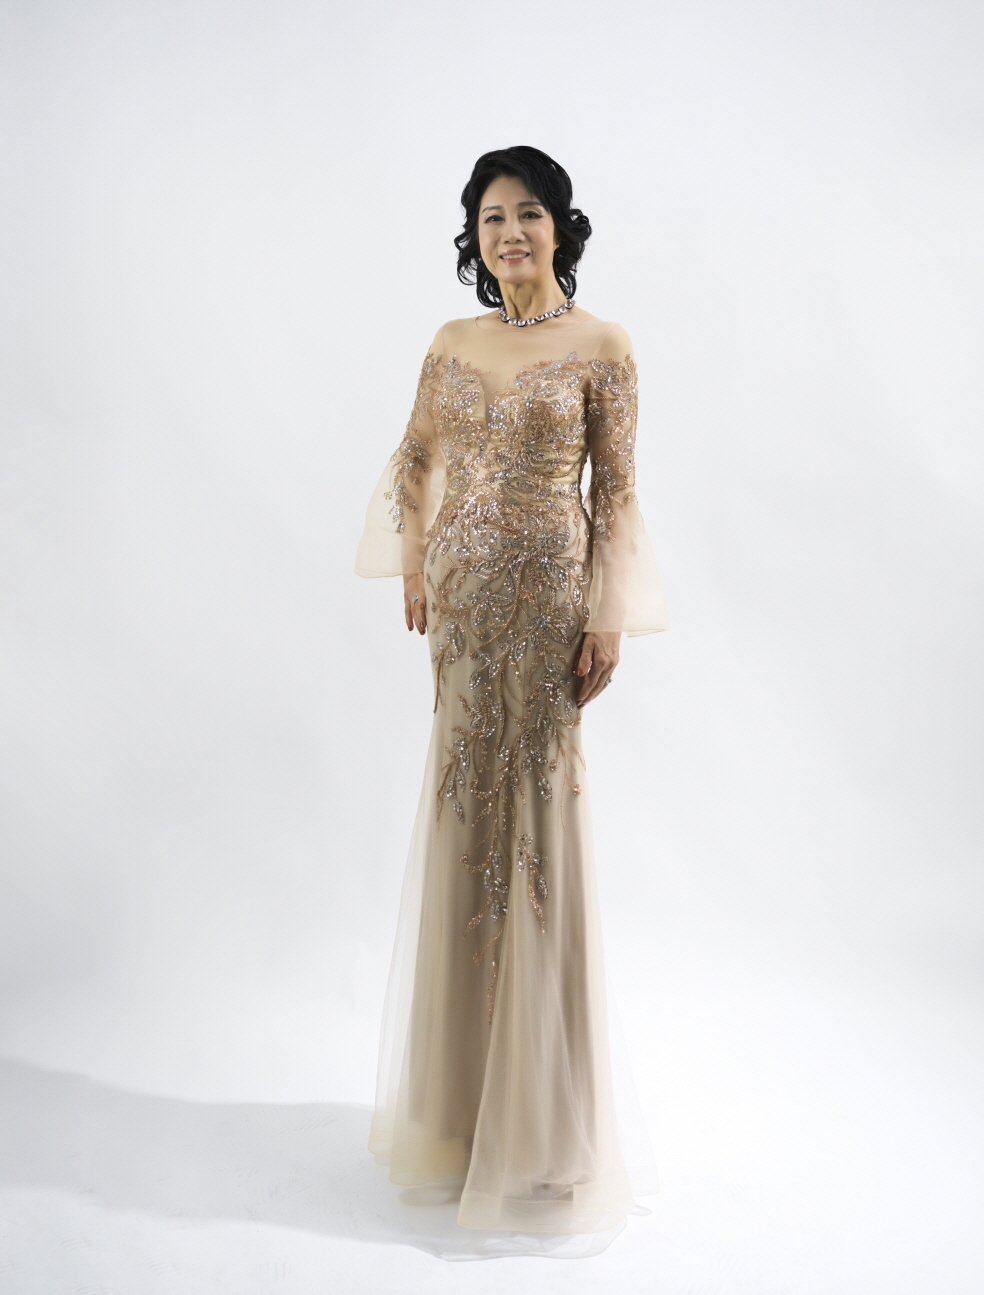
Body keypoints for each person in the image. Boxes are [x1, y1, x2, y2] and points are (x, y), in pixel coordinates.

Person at [354, 145, 669, 1246]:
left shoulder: (604, 345)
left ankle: (541, 1127)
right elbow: (415, 458)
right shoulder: (452, 340)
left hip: (546, 621)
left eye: (529, 213)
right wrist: (414, 562)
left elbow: (616, 492)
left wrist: (607, 612)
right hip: (464, 616)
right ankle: (457, 1116)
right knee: (463, 825)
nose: (510, 234)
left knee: (537, 832)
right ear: (473, 238)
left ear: (561, 227)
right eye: (491, 218)